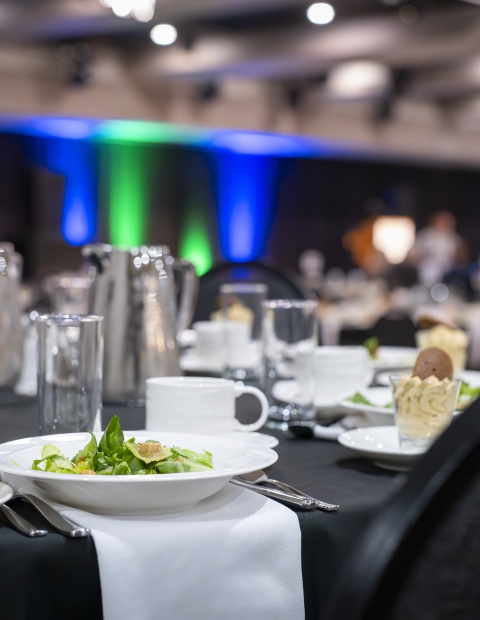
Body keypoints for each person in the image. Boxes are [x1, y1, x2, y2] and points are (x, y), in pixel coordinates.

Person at [410, 211, 468, 288]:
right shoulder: (425, 236)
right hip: (426, 274)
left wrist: (458, 253)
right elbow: (412, 257)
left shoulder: (453, 238)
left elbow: (463, 259)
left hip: (448, 275)